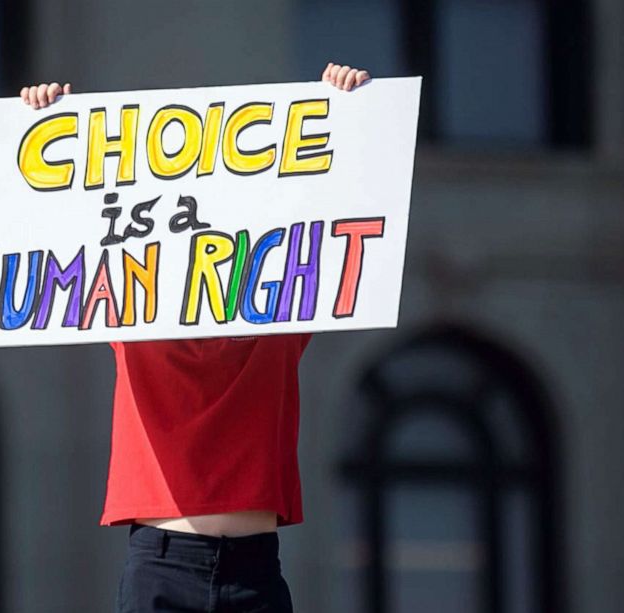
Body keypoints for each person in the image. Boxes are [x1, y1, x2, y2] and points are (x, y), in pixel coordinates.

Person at [20, 62, 372, 613]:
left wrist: (344, 113)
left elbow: (333, 222)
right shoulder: (130, 314)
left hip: (253, 570)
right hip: (161, 566)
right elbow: (63, 233)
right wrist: (44, 122)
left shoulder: (280, 320)